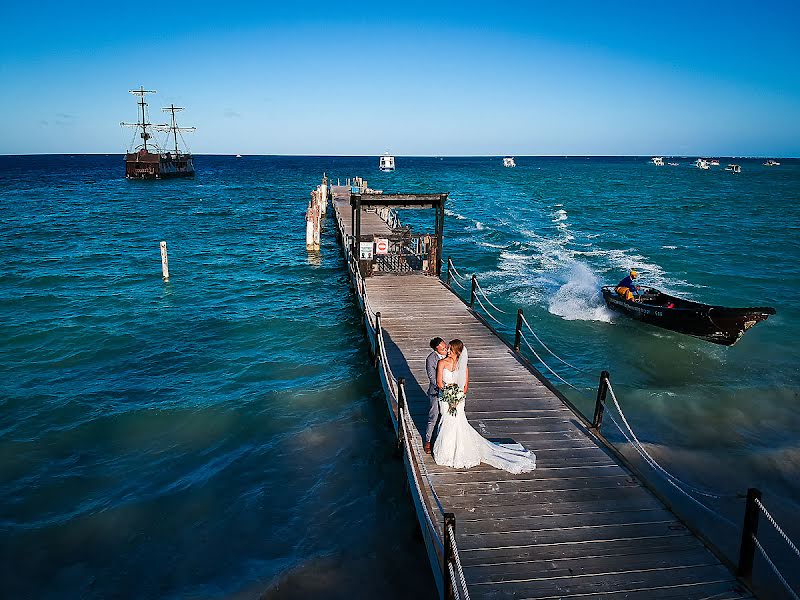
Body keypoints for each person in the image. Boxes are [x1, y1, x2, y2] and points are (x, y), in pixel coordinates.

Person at [433, 340, 536, 473]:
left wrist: (457, 398)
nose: (448, 351)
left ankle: (458, 452)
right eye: (448, 349)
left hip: (458, 400)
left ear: (457, 352)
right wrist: (448, 394)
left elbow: (465, 387)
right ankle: (446, 452)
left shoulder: (464, 366)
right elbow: (439, 382)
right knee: (446, 421)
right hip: (445, 398)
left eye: (451, 350)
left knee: (458, 422)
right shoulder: (442, 363)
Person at [424, 337, 448, 454]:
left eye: (446, 346)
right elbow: (432, 378)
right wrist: (444, 387)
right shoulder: (430, 359)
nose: (446, 349)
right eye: (443, 349)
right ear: (436, 350)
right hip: (436, 391)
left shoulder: (451, 354)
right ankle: (428, 440)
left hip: (450, 388)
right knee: (434, 416)